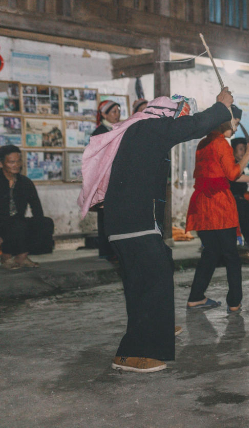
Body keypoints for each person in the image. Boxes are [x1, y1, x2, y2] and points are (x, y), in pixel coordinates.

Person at [78, 91, 235, 373]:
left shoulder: (140, 129)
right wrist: (221, 107)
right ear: (168, 113)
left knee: (149, 276)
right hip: (132, 222)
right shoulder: (149, 127)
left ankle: (156, 328)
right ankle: (132, 353)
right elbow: (193, 126)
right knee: (152, 278)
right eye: (178, 115)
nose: (178, 121)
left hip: (129, 221)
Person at [186, 105, 249, 313]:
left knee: (210, 253)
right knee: (231, 255)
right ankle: (234, 302)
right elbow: (232, 174)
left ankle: (196, 296)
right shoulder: (221, 143)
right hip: (219, 206)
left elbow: (225, 174)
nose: (235, 129)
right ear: (225, 119)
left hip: (202, 204)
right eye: (235, 123)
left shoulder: (204, 142)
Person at [0, 145, 54, 269]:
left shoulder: (25, 182)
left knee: (45, 223)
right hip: (2, 224)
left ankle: (22, 257)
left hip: (17, 221)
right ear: (1, 164)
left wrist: (39, 225)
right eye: (11, 162)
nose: (16, 165)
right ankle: (6, 257)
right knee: (15, 225)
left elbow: (36, 207)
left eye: (19, 161)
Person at [92, 99, 122, 262]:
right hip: (104, 179)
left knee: (113, 216)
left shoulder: (114, 130)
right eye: (113, 112)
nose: (117, 115)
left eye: (118, 111)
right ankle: (107, 251)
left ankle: (113, 250)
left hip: (114, 178)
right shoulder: (100, 132)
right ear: (103, 114)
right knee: (106, 216)